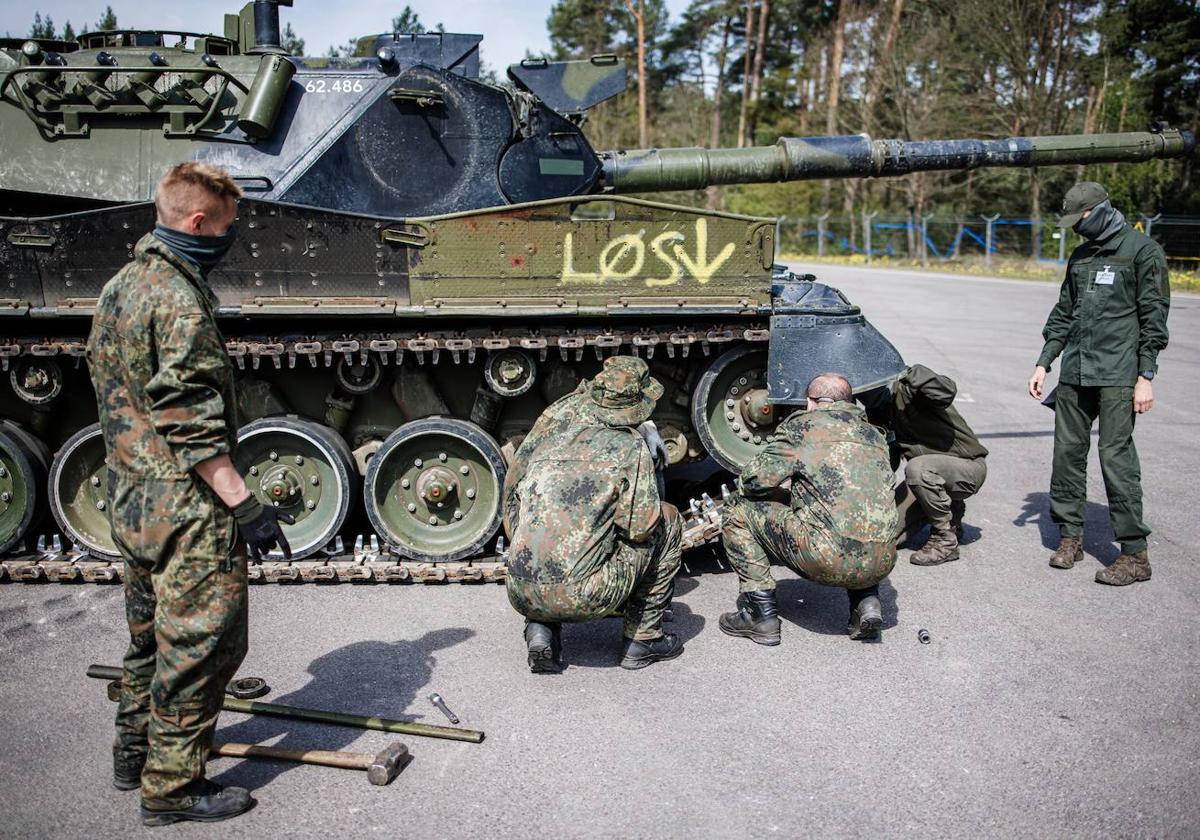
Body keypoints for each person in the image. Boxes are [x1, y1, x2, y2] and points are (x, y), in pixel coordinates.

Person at [87, 162, 292, 826]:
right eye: (227, 226)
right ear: (198, 223)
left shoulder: (122, 286)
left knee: (148, 638)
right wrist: (246, 506)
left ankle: (131, 755)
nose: (229, 238)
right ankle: (172, 788)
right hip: (184, 511)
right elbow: (190, 420)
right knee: (202, 647)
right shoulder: (177, 299)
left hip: (133, 499)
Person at [1028, 181, 1170, 585]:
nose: (1077, 229)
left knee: (1116, 459)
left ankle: (1134, 554)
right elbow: (1064, 311)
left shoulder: (1143, 252)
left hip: (1118, 373)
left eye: (1081, 220)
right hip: (1075, 371)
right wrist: (1044, 362)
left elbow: (1154, 318)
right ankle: (1070, 537)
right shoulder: (1081, 255)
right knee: (1067, 455)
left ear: (1102, 211)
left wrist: (1146, 376)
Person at [504, 356, 683, 672]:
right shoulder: (629, 447)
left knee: (550, 531)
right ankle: (643, 639)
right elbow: (640, 529)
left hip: (519, 587)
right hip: (586, 595)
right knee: (666, 520)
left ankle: (541, 629)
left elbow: (513, 492)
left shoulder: (553, 421)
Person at [719, 373, 898, 644]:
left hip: (826, 558)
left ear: (810, 402)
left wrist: (783, 495)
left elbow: (754, 481)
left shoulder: (802, 427)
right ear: (848, 402)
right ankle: (866, 603)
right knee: (856, 512)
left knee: (737, 509)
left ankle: (760, 616)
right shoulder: (874, 434)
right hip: (883, 560)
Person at [889, 365, 988, 566]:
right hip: (926, 477)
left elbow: (946, 391)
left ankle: (945, 540)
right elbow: (888, 462)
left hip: (966, 467)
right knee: (883, 536)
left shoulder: (910, 386)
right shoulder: (880, 409)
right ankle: (947, 510)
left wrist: (909, 373)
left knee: (918, 468)